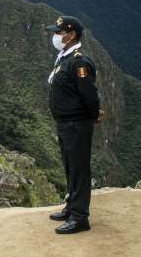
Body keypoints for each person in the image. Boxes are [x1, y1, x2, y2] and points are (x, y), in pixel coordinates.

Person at [44, 16, 104, 234]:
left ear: (71, 35)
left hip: (77, 124)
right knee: (70, 167)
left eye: (59, 33)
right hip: (65, 123)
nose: (55, 36)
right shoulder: (64, 58)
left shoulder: (79, 62)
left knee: (79, 168)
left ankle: (80, 218)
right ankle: (71, 206)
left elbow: (89, 95)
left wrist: (94, 114)